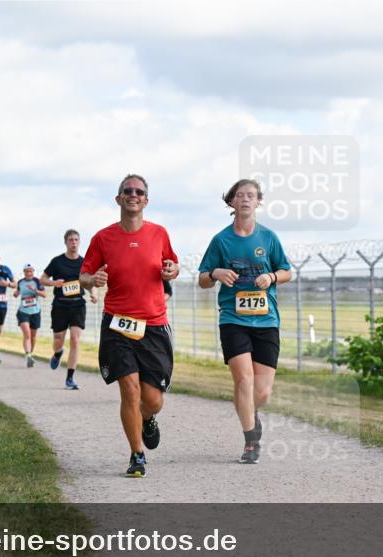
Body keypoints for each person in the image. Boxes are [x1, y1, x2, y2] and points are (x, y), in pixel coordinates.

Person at [80, 174, 179, 478]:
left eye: (139, 191)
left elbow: (172, 265)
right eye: (127, 191)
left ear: (146, 200)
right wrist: (92, 280)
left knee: (152, 400)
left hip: (153, 325)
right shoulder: (102, 238)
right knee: (130, 390)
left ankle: (147, 418)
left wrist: (172, 270)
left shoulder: (159, 233)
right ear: (119, 199)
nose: (133, 195)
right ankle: (137, 455)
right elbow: (83, 276)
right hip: (118, 324)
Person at [198, 178, 291, 464]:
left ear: (258, 202)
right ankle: (251, 442)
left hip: (266, 321)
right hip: (233, 319)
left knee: (261, 392)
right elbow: (202, 279)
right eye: (241, 195)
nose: (246, 199)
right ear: (232, 202)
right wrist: (216, 273)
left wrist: (272, 277)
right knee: (244, 380)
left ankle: (250, 411)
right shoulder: (221, 240)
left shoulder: (269, 238)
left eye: (252, 195)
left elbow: (287, 271)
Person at [41, 230, 98, 389]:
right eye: (70, 240)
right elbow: (43, 279)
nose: (73, 242)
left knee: (75, 339)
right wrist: (54, 283)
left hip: (77, 304)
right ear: (65, 242)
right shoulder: (57, 261)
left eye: (76, 240)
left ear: (79, 242)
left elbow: (90, 282)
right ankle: (58, 353)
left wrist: (93, 294)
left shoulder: (85, 263)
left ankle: (70, 378)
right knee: (58, 338)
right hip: (60, 304)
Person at [14, 263, 46, 367]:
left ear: (33, 272)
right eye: (27, 271)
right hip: (23, 311)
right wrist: (15, 293)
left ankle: (30, 355)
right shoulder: (21, 282)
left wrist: (35, 290)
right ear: (24, 272)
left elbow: (44, 295)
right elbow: (17, 293)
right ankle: (28, 355)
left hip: (35, 311)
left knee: (33, 336)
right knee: (27, 334)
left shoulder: (37, 281)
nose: (29, 273)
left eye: (30, 271)